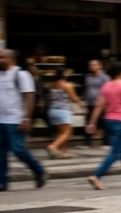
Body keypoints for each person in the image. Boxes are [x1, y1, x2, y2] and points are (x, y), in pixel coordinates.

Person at [85, 63, 121, 189]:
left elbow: (99, 106)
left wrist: (92, 122)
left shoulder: (107, 85)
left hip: (109, 121)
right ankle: (97, 176)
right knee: (116, 152)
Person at [0, 49, 46, 190]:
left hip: (15, 120)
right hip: (1, 120)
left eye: (2, 57)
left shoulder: (21, 74)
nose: (0, 60)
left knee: (18, 150)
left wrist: (26, 118)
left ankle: (39, 170)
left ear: (11, 59)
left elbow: (30, 97)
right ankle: (2, 182)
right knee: (0, 153)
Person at [44, 68, 81, 159]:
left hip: (52, 110)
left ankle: (64, 152)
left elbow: (49, 97)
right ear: (63, 74)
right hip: (64, 110)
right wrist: (80, 103)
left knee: (61, 133)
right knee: (68, 132)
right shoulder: (68, 85)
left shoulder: (52, 85)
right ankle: (53, 146)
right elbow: (74, 98)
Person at [81, 59, 109, 148]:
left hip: (100, 104)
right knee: (89, 122)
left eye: (94, 65)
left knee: (103, 123)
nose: (92, 67)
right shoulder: (87, 77)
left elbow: (108, 90)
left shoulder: (105, 77)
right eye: (90, 65)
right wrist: (85, 100)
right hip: (90, 103)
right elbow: (86, 89)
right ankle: (87, 143)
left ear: (100, 66)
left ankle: (106, 143)